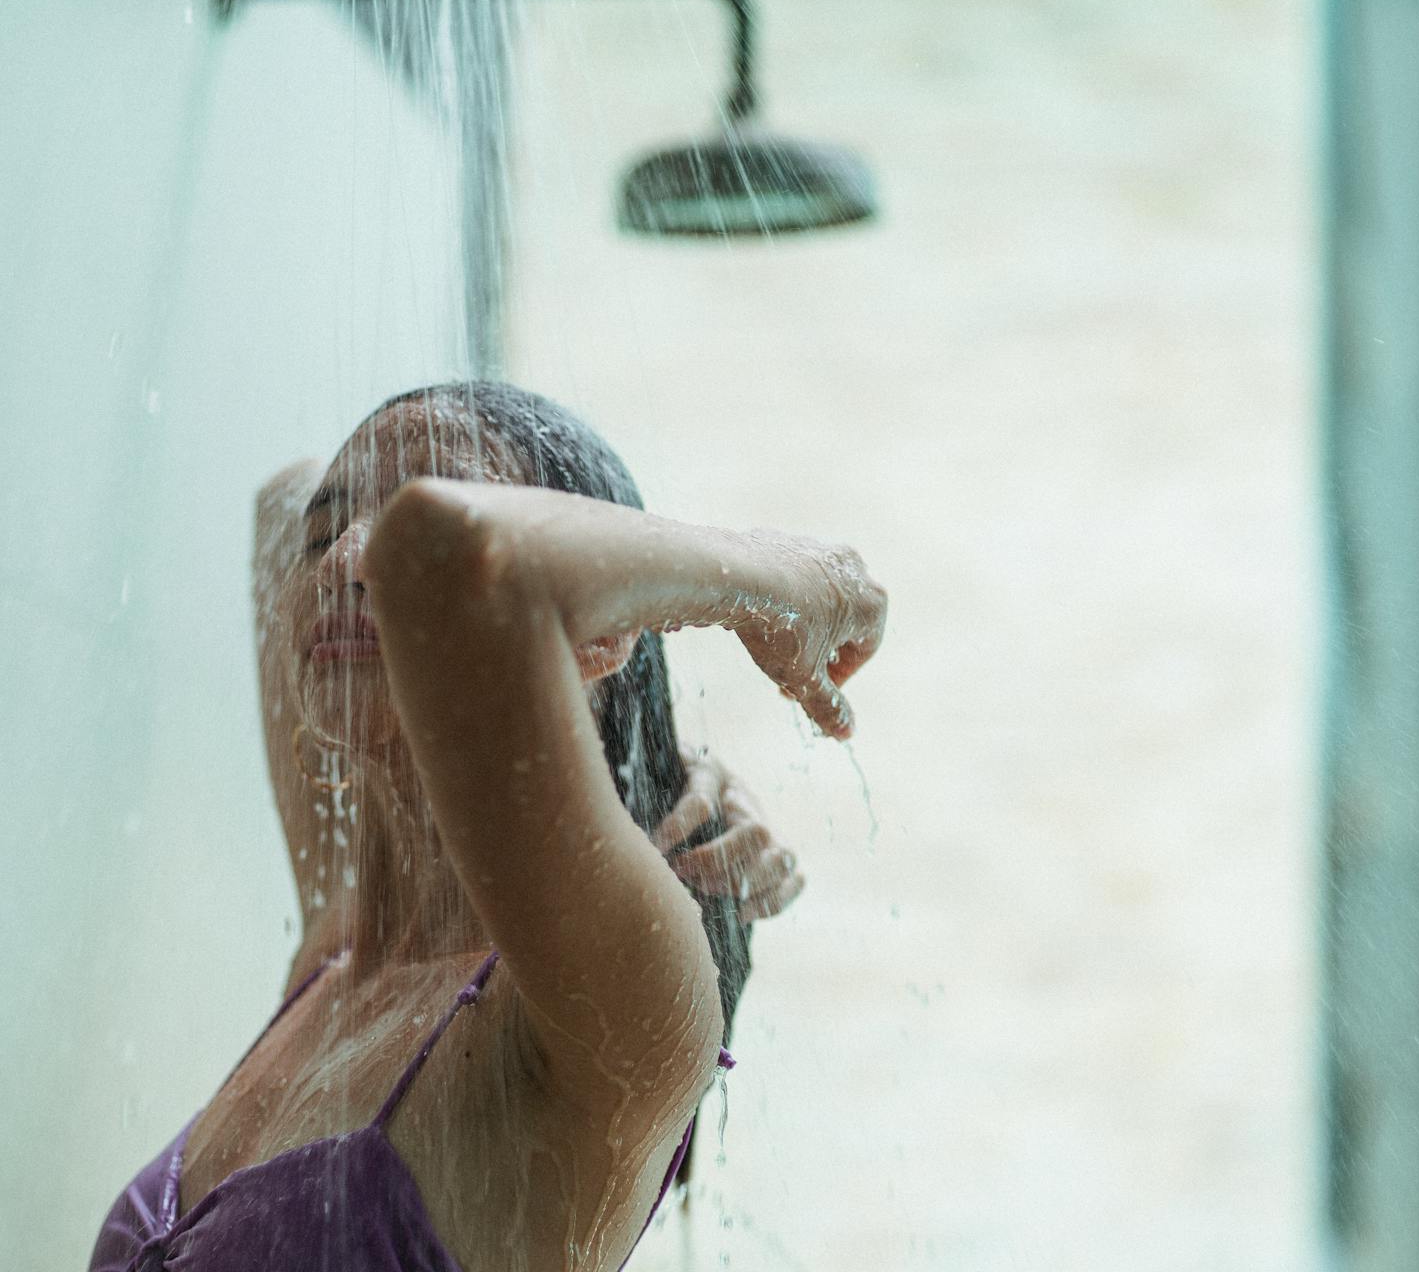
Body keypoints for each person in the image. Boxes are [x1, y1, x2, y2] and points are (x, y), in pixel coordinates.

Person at [91, 382, 888, 1271]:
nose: (348, 559)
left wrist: (777, 579)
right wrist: (655, 748)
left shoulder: (610, 1002)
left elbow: (457, 556)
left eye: (398, 531)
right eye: (335, 533)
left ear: (602, 640)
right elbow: (286, 505)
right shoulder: (345, 946)